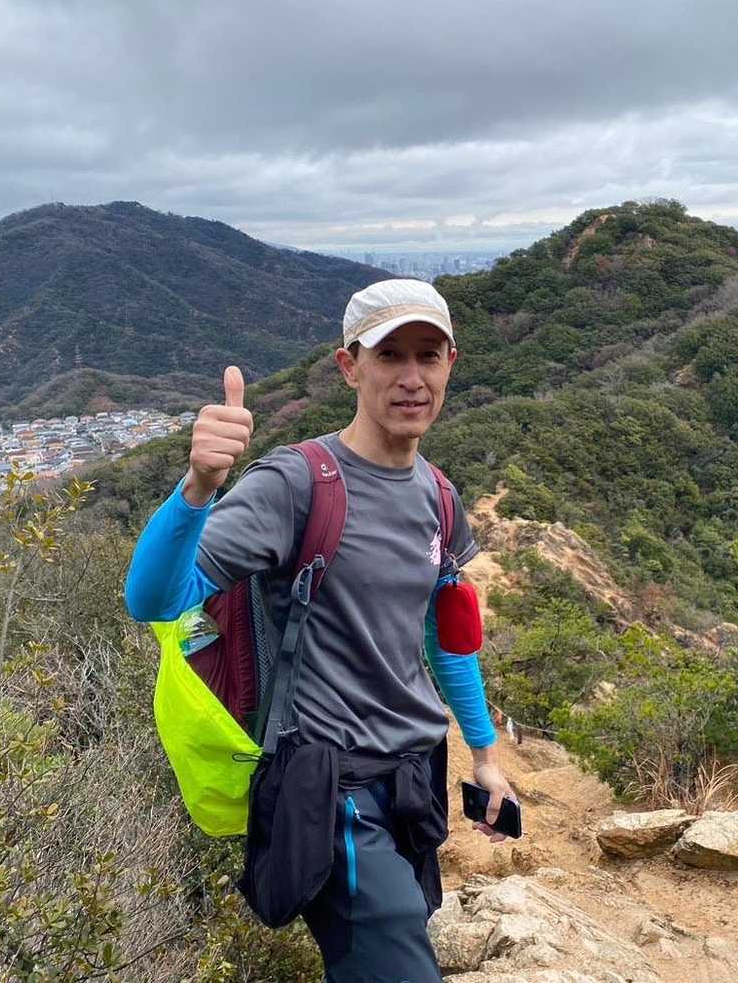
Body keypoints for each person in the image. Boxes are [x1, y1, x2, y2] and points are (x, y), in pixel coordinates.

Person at [123, 278, 515, 982]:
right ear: (348, 367)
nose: (411, 377)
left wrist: (484, 755)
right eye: (389, 355)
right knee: (396, 958)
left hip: (413, 775)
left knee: (391, 945)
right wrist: (198, 487)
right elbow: (153, 599)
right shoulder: (298, 484)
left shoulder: (439, 495)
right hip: (330, 786)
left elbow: (448, 639)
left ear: (451, 364)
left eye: (428, 356)